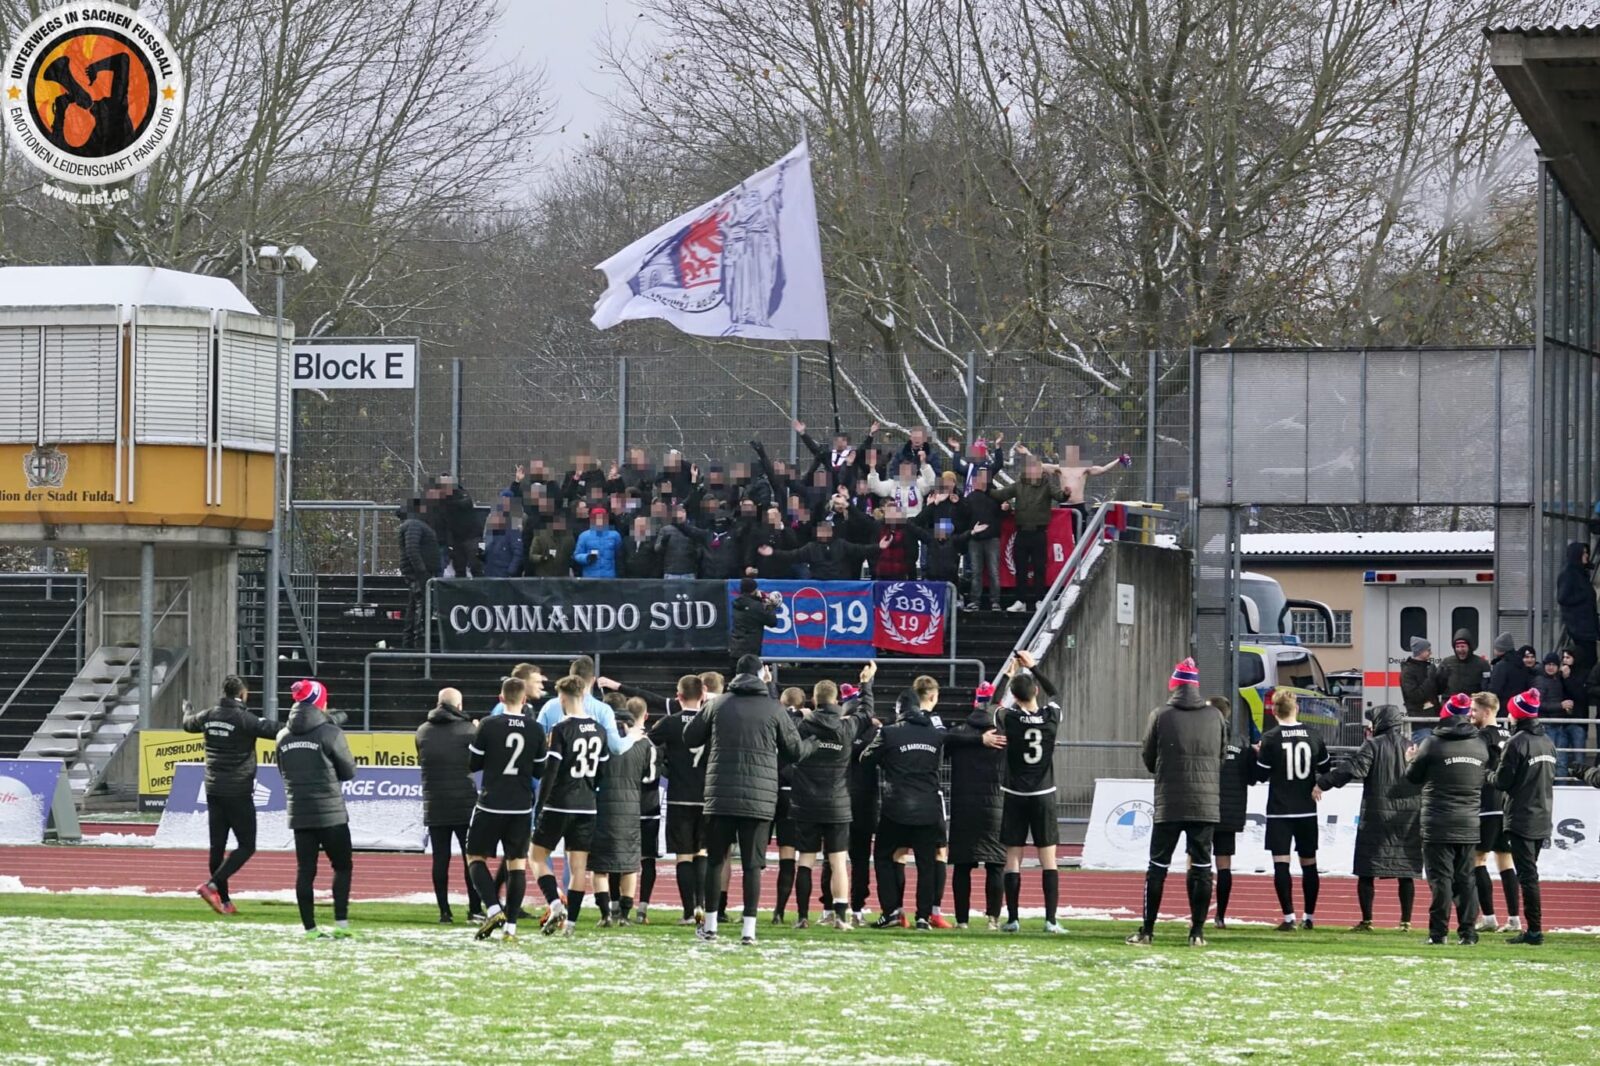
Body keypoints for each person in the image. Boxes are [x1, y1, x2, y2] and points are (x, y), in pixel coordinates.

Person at [684, 655, 807, 945]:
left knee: (716, 861)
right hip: (759, 797)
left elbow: (690, 737)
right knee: (753, 865)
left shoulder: (717, 704)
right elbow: (795, 751)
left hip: (720, 795)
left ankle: (711, 926)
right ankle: (749, 930)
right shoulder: (773, 708)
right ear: (762, 674)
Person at [1126, 658, 1226, 947]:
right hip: (1205, 803)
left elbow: (1148, 755)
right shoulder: (1215, 716)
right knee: (1203, 868)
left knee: (1157, 867)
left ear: (1174, 685)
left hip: (1169, 801)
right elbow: (1220, 757)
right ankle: (1197, 932)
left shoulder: (1161, 714)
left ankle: (1147, 931)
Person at [1316, 704, 1422, 931]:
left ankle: (1367, 920)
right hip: (1408, 817)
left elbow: (1352, 769)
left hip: (1376, 814)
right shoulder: (1412, 746)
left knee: (1366, 870)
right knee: (1406, 872)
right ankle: (1406, 921)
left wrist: (1323, 783)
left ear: (1381, 722)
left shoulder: (1372, 745)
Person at [980, 651, 1064, 934]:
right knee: (1048, 859)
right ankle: (1051, 920)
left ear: (1014, 697)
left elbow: (993, 705)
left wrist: (1008, 675)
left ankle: (1013, 919)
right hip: (1043, 794)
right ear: (1035, 691)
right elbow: (1055, 694)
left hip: (1015, 793)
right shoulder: (1051, 715)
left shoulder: (1008, 717)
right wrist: (1033, 667)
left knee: (1012, 858)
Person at [530, 675, 620, 936]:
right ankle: (571, 925)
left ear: (562, 698)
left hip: (560, 803)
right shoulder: (600, 729)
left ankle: (556, 904)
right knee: (578, 866)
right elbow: (603, 770)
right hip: (587, 805)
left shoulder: (560, 729)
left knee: (535, 856)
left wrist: (540, 805)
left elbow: (551, 771)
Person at [789, 664, 876, 929]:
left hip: (805, 803)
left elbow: (779, 718)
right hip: (838, 803)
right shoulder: (846, 727)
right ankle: (840, 917)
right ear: (837, 700)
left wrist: (793, 709)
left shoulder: (802, 726)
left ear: (814, 700)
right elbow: (866, 712)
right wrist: (866, 684)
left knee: (805, 859)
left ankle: (803, 916)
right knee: (838, 860)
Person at [183, 675, 279, 915]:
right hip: (238, 791)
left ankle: (224, 901)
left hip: (213, 789)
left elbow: (187, 724)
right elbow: (275, 730)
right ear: (243, 694)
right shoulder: (245, 719)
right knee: (247, 845)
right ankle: (212, 886)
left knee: (217, 847)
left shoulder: (208, 716)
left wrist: (187, 709)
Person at [1404, 690, 1490, 945]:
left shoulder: (1432, 743)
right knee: (1466, 879)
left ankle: (1438, 933)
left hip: (1438, 822)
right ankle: (1469, 933)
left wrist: (1409, 759)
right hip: (1469, 822)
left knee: (1441, 879)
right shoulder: (1479, 744)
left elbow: (1413, 777)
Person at [862, 681, 948, 931]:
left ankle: (891, 911)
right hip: (928, 807)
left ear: (899, 709)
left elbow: (865, 758)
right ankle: (923, 916)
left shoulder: (889, 732)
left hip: (896, 807)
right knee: (926, 864)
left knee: (883, 856)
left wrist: (887, 761)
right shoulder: (935, 734)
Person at [275, 679, 357, 939]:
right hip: (331, 813)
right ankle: (341, 925)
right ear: (320, 702)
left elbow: (283, 771)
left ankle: (309, 928)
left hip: (299, 813)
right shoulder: (330, 733)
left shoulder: (282, 735)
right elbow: (348, 771)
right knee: (342, 866)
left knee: (305, 871)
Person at [466, 676, 546, 941]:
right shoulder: (535, 728)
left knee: (475, 857)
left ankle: (492, 908)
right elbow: (540, 769)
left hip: (491, 803)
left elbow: (473, 764)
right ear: (524, 700)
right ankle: (511, 927)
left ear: (501, 699)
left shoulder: (488, 725)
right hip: (521, 806)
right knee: (516, 866)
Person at [1251, 690, 1331, 931]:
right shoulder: (1313, 735)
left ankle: (1289, 918)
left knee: (1281, 864)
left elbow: (1261, 774)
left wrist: (1258, 753)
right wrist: (1317, 783)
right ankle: (1310, 917)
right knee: (1310, 864)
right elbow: (1326, 767)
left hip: (1280, 811)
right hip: (1307, 810)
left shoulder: (1271, 738)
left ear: (1275, 712)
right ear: (1296, 709)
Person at [1491, 689, 1557, 945]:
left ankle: (1534, 931)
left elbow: (1502, 781)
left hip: (1521, 818)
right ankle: (1533, 929)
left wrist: (1489, 775)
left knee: (1528, 876)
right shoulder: (1547, 742)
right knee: (1529, 874)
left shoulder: (1516, 743)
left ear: (1517, 715)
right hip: (1542, 815)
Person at [415, 687, 483, 924]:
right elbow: (476, 763)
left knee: (440, 859)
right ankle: (475, 909)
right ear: (460, 706)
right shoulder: (468, 730)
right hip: (464, 802)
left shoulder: (422, 731)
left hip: (434, 802)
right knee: (471, 858)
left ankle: (444, 911)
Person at [647, 674, 711, 925]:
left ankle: (688, 913)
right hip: (708, 797)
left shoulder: (669, 723)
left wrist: (664, 766)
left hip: (679, 798)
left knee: (683, 855)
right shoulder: (711, 723)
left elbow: (648, 745)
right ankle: (702, 908)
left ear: (679, 697)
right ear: (703, 695)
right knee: (703, 852)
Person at [944, 681, 1006, 930]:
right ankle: (993, 919)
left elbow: (943, 741)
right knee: (996, 864)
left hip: (964, 806)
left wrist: (975, 739)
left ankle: (961, 920)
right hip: (997, 805)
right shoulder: (1003, 735)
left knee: (962, 865)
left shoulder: (959, 733)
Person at [591, 699, 654, 926]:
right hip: (631, 806)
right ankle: (625, 915)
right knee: (629, 864)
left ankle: (605, 914)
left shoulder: (600, 739)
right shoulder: (642, 743)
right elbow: (649, 775)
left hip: (602, 804)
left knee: (599, 866)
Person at [1469, 692, 1520, 934]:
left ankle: (1488, 917)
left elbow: (1475, 767)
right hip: (1507, 805)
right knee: (1506, 862)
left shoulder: (1481, 736)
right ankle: (1514, 919)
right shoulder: (1510, 734)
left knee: (1477, 860)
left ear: (1487, 712)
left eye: (1474, 710)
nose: (1471, 714)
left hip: (1487, 805)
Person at [990, 456, 1067, 612]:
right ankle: (1021, 601)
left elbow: (1059, 496)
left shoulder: (1046, 485)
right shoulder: (1019, 485)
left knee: (1040, 568)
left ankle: (1040, 599)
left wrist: (1065, 493)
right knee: (1021, 568)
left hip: (1039, 533)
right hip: (1021, 533)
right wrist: (985, 487)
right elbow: (1001, 494)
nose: (1033, 470)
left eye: (1036, 467)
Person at [1208, 695, 1251, 930]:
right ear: (1228, 714)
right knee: (1224, 864)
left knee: (1196, 862)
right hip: (1229, 812)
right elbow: (1253, 776)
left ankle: (1198, 913)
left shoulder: (1202, 737)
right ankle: (1220, 916)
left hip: (1203, 808)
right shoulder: (1241, 742)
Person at [958, 467, 1004, 611]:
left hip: (992, 539)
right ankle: (975, 601)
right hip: (975, 539)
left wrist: (1005, 508)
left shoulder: (996, 496)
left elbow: (1002, 514)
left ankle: (995, 600)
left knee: (993, 571)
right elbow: (963, 516)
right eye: (978, 478)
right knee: (976, 571)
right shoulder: (969, 498)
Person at [397, 499, 441, 648]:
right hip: (419, 574)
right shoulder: (415, 525)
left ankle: (409, 642)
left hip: (418, 573)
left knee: (414, 607)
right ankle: (419, 643)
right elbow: (412, 549)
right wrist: (422, 571)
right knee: (421, 608)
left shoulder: (413, 525)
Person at [1558, 542, 1600, 677]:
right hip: (1579, 626)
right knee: (1586, 659)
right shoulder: (1569, 573)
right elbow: (1562, 598)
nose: (1587, 555)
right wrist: (1584, 597)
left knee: (1591, 658)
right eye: (1584, 553)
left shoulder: (1581, 573)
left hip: (1588, 625)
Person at [728, 577, 780, 677]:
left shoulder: (737, 603)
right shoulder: (756, 606)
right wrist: (769, 606)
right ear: (754, 590)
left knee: (735, 679)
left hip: (735, 650)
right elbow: (772, 622)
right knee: (750, 680)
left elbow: (750, 608)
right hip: (750, 653)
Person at [1438, 630, 1491, 700]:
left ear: (1469, 647)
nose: (1460, 649)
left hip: (1473, 703)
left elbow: (1487, 686)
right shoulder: (1446, 662)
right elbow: (1439, 683)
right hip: (1451, 702)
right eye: (1457, 647)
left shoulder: (1482, 664)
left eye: (1463, 646)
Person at [1399, 637, 1440, 725]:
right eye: (1428, 650)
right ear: (1420, 651)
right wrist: (1430, 679)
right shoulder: (1407, 672)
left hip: (1434, 719)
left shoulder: (1427, 668)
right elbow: (1415, 696)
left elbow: (1436, 691)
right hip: (1419, 721)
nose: (1431, 653)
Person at [573, 508, 622, 578]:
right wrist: (587, 557)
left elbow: (619, 556)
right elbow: (576, 555)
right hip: (590, 578)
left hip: (610, 578)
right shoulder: (584, 536)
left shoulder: (615, 535)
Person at [1486, 633, 1527, 708]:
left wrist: (1485, 680)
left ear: (1501, 649)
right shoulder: (1521, 663)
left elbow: (1494, 690)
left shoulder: (1501, 666)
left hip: (1503, 708)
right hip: (1518, 707)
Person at [481, 510, 524, 578]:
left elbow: (518, 553)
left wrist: (510, 571)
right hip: (490, 571)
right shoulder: (492, 530)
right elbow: (489, 548)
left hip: (504, 573)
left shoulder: (513, 531)